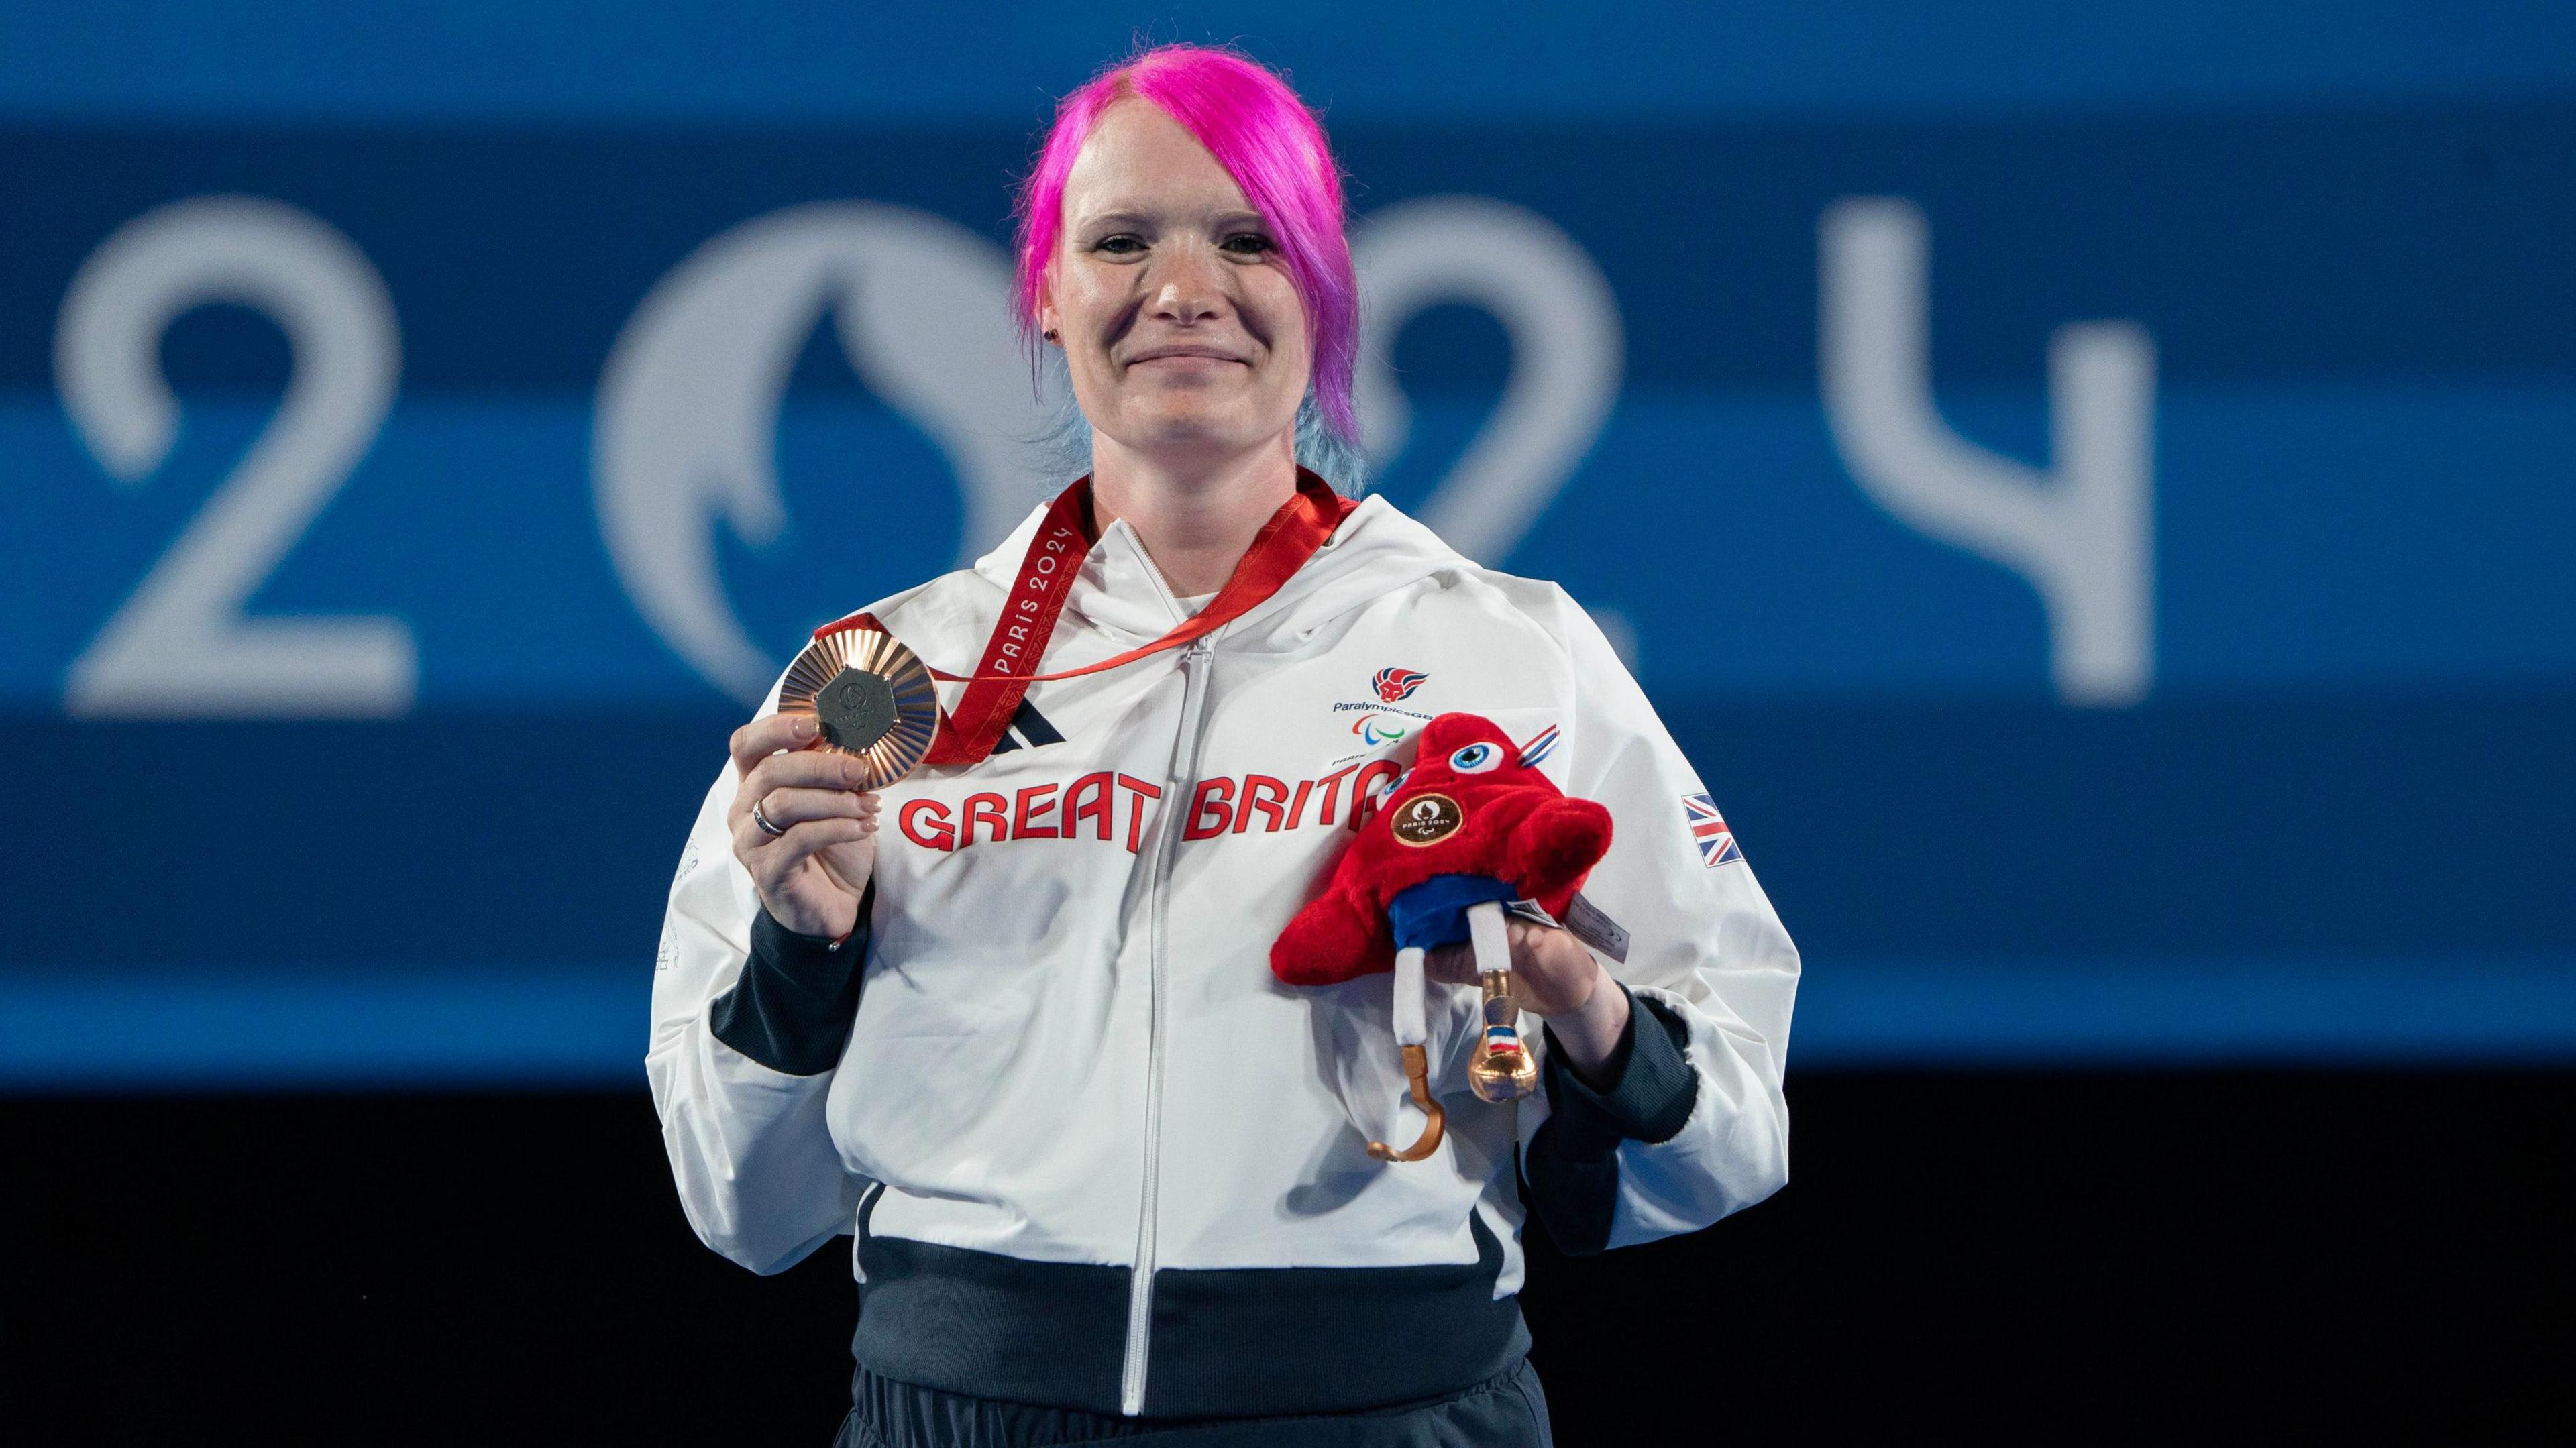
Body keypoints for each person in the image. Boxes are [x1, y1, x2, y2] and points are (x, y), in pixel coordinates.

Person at [647, 44, 1797, 1447]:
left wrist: (1583, 1008)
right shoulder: (879, 686)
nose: (1183, 290)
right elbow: (738, 1206)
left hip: (1384, 1411)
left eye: (1248, 240)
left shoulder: (1515, 656)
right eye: (1122, 240)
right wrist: (806, 955)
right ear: (1048, 297)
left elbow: (1736, 1130)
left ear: (1322, 295)